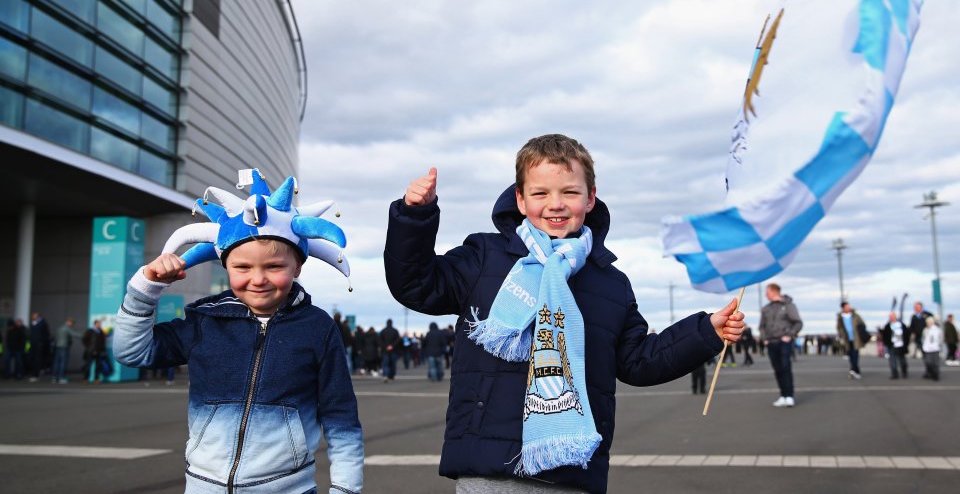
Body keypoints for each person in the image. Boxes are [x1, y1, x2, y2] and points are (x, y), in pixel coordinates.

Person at [384, 134, 743, 493]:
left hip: (570, 471)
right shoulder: (483, 257)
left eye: (569, 192)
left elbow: (639, 361)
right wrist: (415, 216)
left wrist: (705, 332)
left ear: (590, 198)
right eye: (540, 194)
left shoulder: (611, 283)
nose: (555, 204)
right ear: (521, 200)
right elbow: (416, 285)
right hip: (488, 468)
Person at [112, 170, 363, 494]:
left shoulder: (318, 328)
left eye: (273, 267)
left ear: (297, 266)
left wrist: (346, 489)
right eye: (242, 267)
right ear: (225, 265)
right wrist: (145, 288)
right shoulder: (205, 320)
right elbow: (131, 352)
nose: (258, 279)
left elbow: (341, 419)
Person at [759, 283, 803, 408]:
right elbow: (762, 326)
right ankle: (783, 395)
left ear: (774, 292)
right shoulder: (766, 308)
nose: (766, 295)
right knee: (777, 369)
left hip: (784, 342)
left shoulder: (788, 306)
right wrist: (765, 338)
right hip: (771, 342)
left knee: (785, 367)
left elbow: (798, 323)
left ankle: (789, 396)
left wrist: (789, 335)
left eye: (767, 292)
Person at [836, 301, 867, 379]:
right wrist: (842, 334)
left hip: (856, 338)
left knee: (855, 354)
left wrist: (860, 330)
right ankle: (854, 369)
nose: (848, 308)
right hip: (847, 339)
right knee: (850, 354)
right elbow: (839, 327)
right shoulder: (841, 317)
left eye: (849, 306)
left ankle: (854, 369)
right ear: (843, 308)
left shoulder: (855, 316)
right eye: (847, 306)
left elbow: (863, 324)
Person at [52, 317, 82, 384]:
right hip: (64, 346)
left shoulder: (59, 328)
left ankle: (54, 377)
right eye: (72, 323)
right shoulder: (67, 328)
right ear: (69, 322)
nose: (72, 325)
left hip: (58, 346)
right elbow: (74, 334)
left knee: (56, 362)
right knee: (63, 362)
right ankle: (61, 377)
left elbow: (55, 337)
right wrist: (84, 335)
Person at [881, 312, 908, 379]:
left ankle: (904, 372)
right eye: (890, 317)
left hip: (901, 346)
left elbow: (907, 334)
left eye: (892, 316)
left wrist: (905, 344)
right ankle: (894, 374)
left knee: (902, 361)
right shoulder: (887, 326)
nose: (891, 318)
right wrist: (887, 343)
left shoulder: (901, 325)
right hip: (892, 346)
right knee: (892, 361)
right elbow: (885, 336)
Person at [27, 311, 51, 382]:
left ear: (38, 316)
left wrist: (42, 342)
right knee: (31, 359)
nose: (32, 317)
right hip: (32, 343)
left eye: (34, 316)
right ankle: (34, 373)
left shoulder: (43, 323)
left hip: (39, 344)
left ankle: (36, 375)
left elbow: (46, 334)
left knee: (37, 360)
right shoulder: (33, 323)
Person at [921, 316, 943, 381]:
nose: (927, 323)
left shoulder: (938, 329)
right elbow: (923, 338)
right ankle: (930, 372)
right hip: (927, 349)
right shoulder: (925, 329)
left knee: (935, 363)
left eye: (928, 322)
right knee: (928, 362)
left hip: (935, 348)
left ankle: (935, 375)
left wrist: (939, 345)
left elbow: (940, 339)